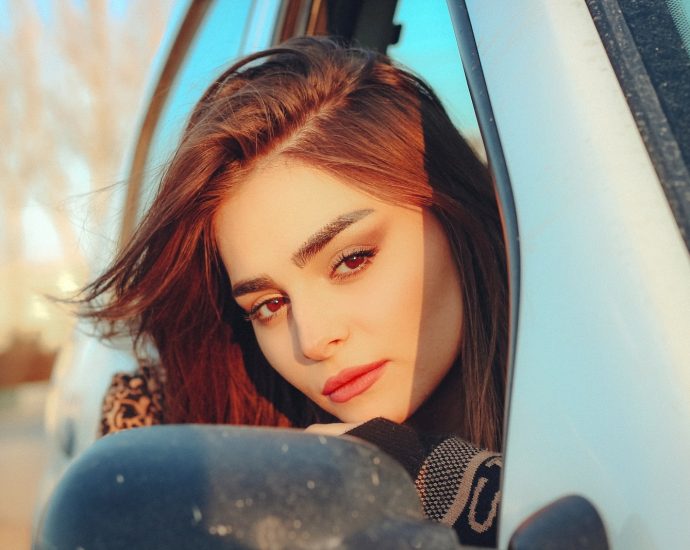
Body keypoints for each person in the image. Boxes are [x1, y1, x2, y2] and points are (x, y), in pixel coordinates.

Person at [79, 36, 508, 547]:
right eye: (268, 306)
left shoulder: (614, 363)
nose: (312, 339)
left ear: (454, 215)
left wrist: (424, 475)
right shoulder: (187, 447)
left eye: (351, 261)